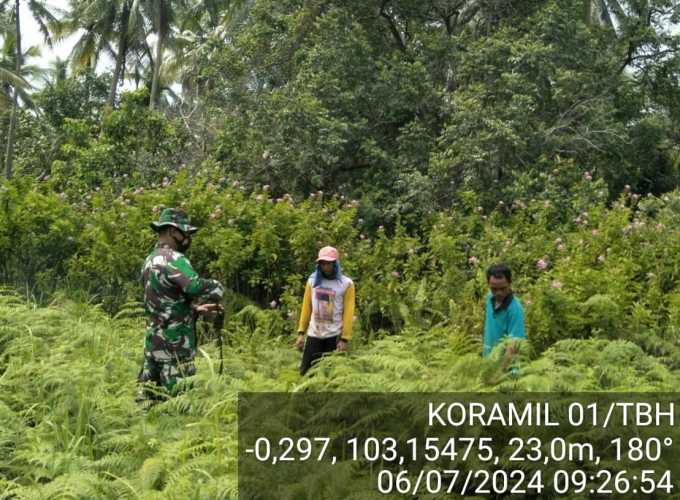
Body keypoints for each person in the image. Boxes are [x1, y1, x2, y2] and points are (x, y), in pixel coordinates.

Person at [138, 208, 224, 399]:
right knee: (179, 406)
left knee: (147, 404)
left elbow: (162, 301)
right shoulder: (175, 259)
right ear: (171, 232)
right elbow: (194, 286)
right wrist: (217, 288)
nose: (187, 237)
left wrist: (195, 310)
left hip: (153, 345)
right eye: (184, 232)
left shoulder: (149, 260)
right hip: (175, 349)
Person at [295, 246, 355, 375]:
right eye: (323, 263)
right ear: (319, 264)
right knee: (306, 373)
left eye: (329, 263)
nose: (326, 267)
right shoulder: (312, 282)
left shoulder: (346, 284)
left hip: (334, 336)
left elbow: (348, 313)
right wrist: (301, 332)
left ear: (335, 264)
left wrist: (344, 339)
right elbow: (306, 307)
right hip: (314, 334)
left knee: (331, 376)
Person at [483, 264, 526, 367]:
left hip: (507, 370)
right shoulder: (489, 298)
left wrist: (498, 374)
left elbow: (513, 346)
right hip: (489, 362)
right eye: (494, 289)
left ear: (510, 283)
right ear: (488, 284)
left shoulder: (515, 309)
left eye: (503, 288)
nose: (498, 293)